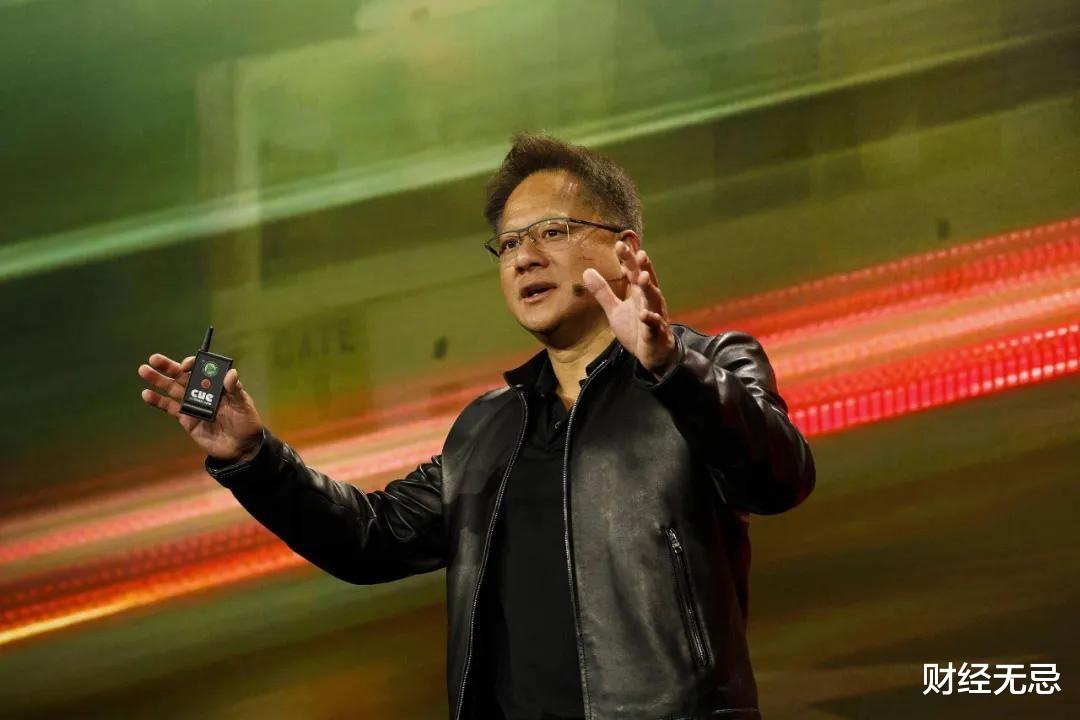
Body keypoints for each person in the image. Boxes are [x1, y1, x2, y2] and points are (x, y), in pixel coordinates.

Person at [138, 132, 816, 720]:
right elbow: (369, 540)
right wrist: (252, 458)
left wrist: (668, 366)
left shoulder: (707, 367)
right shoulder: (487, 428)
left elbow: (780, 478)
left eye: (552, 232)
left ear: (623, 248)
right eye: (510, 243)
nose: (524, 257)